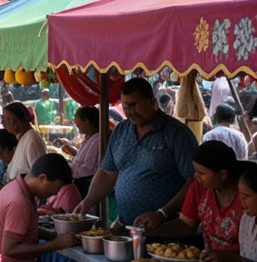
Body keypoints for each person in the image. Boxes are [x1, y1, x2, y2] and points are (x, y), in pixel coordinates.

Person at [76, 77, 197, 227]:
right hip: (127, 227)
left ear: (153, 102)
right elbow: (107, 172)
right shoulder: (121, 130)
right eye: (125, 106)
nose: (129, 112)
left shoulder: (177, 133)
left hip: (166, 228)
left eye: (133, 105)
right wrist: (87, 202)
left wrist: (162, 213)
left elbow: (194, 181)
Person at [138, 139, 243, 251]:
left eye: (201, 173)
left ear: (222, 174)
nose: (195, 176)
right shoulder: (199, 188)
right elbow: (186, 225)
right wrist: (148, 232)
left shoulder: (246, 197)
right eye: (195, 171)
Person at [60, 105, 103, 198]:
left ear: (87, 122)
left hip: (85, 187)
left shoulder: (97, 140)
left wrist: (66, 170)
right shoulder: (89, 138)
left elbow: (88, 170)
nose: (78, 129)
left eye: (79, 125)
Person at [2, 103, 47, 179]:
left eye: (8, 119)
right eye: (5, 119)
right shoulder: (23, 137)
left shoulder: (32, 140)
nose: (5, 123)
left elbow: (38, 175)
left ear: (19, 119)